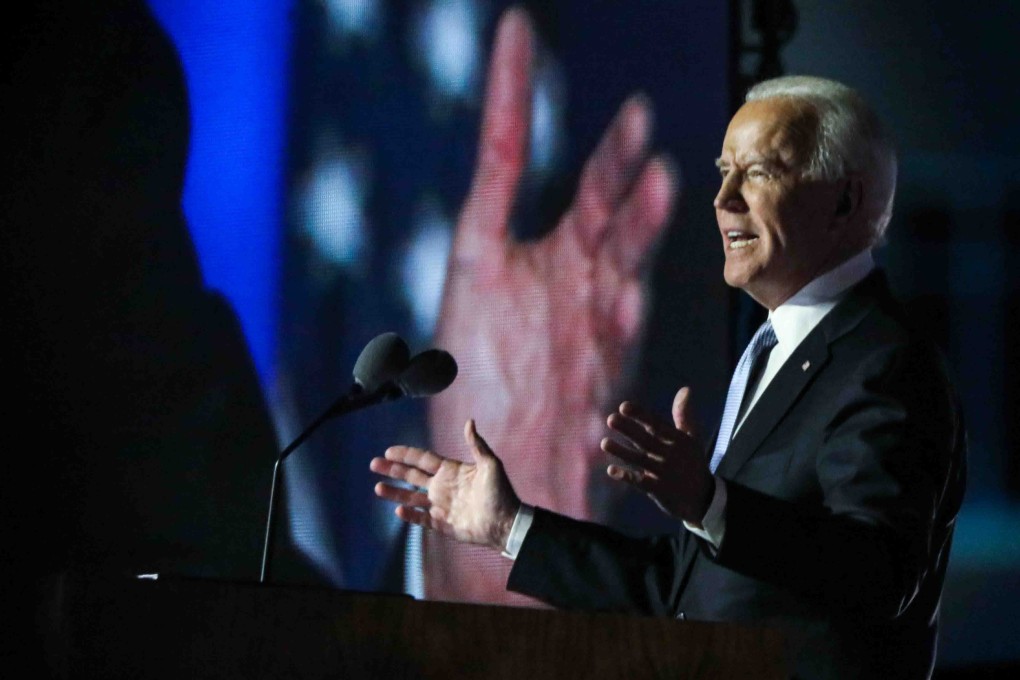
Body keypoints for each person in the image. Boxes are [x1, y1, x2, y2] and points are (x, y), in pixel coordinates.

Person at [371, 72, 968, 678]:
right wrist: (507, 525)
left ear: (844, 202)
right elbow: (681, 591)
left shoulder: (886, 363)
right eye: (724, 170)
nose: (724, 198)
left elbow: (878, 573)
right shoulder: (773, 352)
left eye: (759, 172)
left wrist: (712, 503)